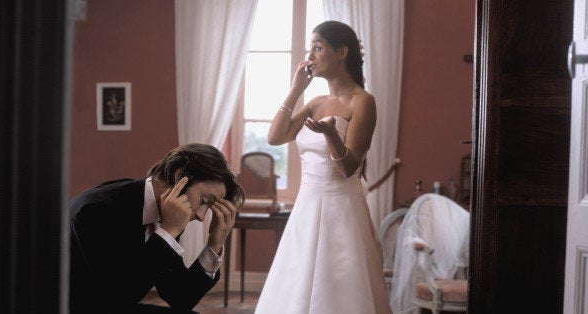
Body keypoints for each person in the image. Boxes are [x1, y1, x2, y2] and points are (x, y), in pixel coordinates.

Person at [255, 20, 391, 314]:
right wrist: (295, 90)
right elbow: (275, 137)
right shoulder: (316, 102)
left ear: (341, 52)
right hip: (307, 207)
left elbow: (348, 168)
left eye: (318, 47)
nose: (311, 56)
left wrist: (331, 135)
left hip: (341, 210)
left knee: (339, 288)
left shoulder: (363, 102)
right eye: (310, 49)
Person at [69, 143, 244, 314]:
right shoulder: (97, 210)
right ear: (179, 178)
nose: (200, 216)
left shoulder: (166, 214)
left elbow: (180, 297)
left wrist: (214, 244)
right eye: (204, 201)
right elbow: (120, 294)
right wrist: (167, 232)